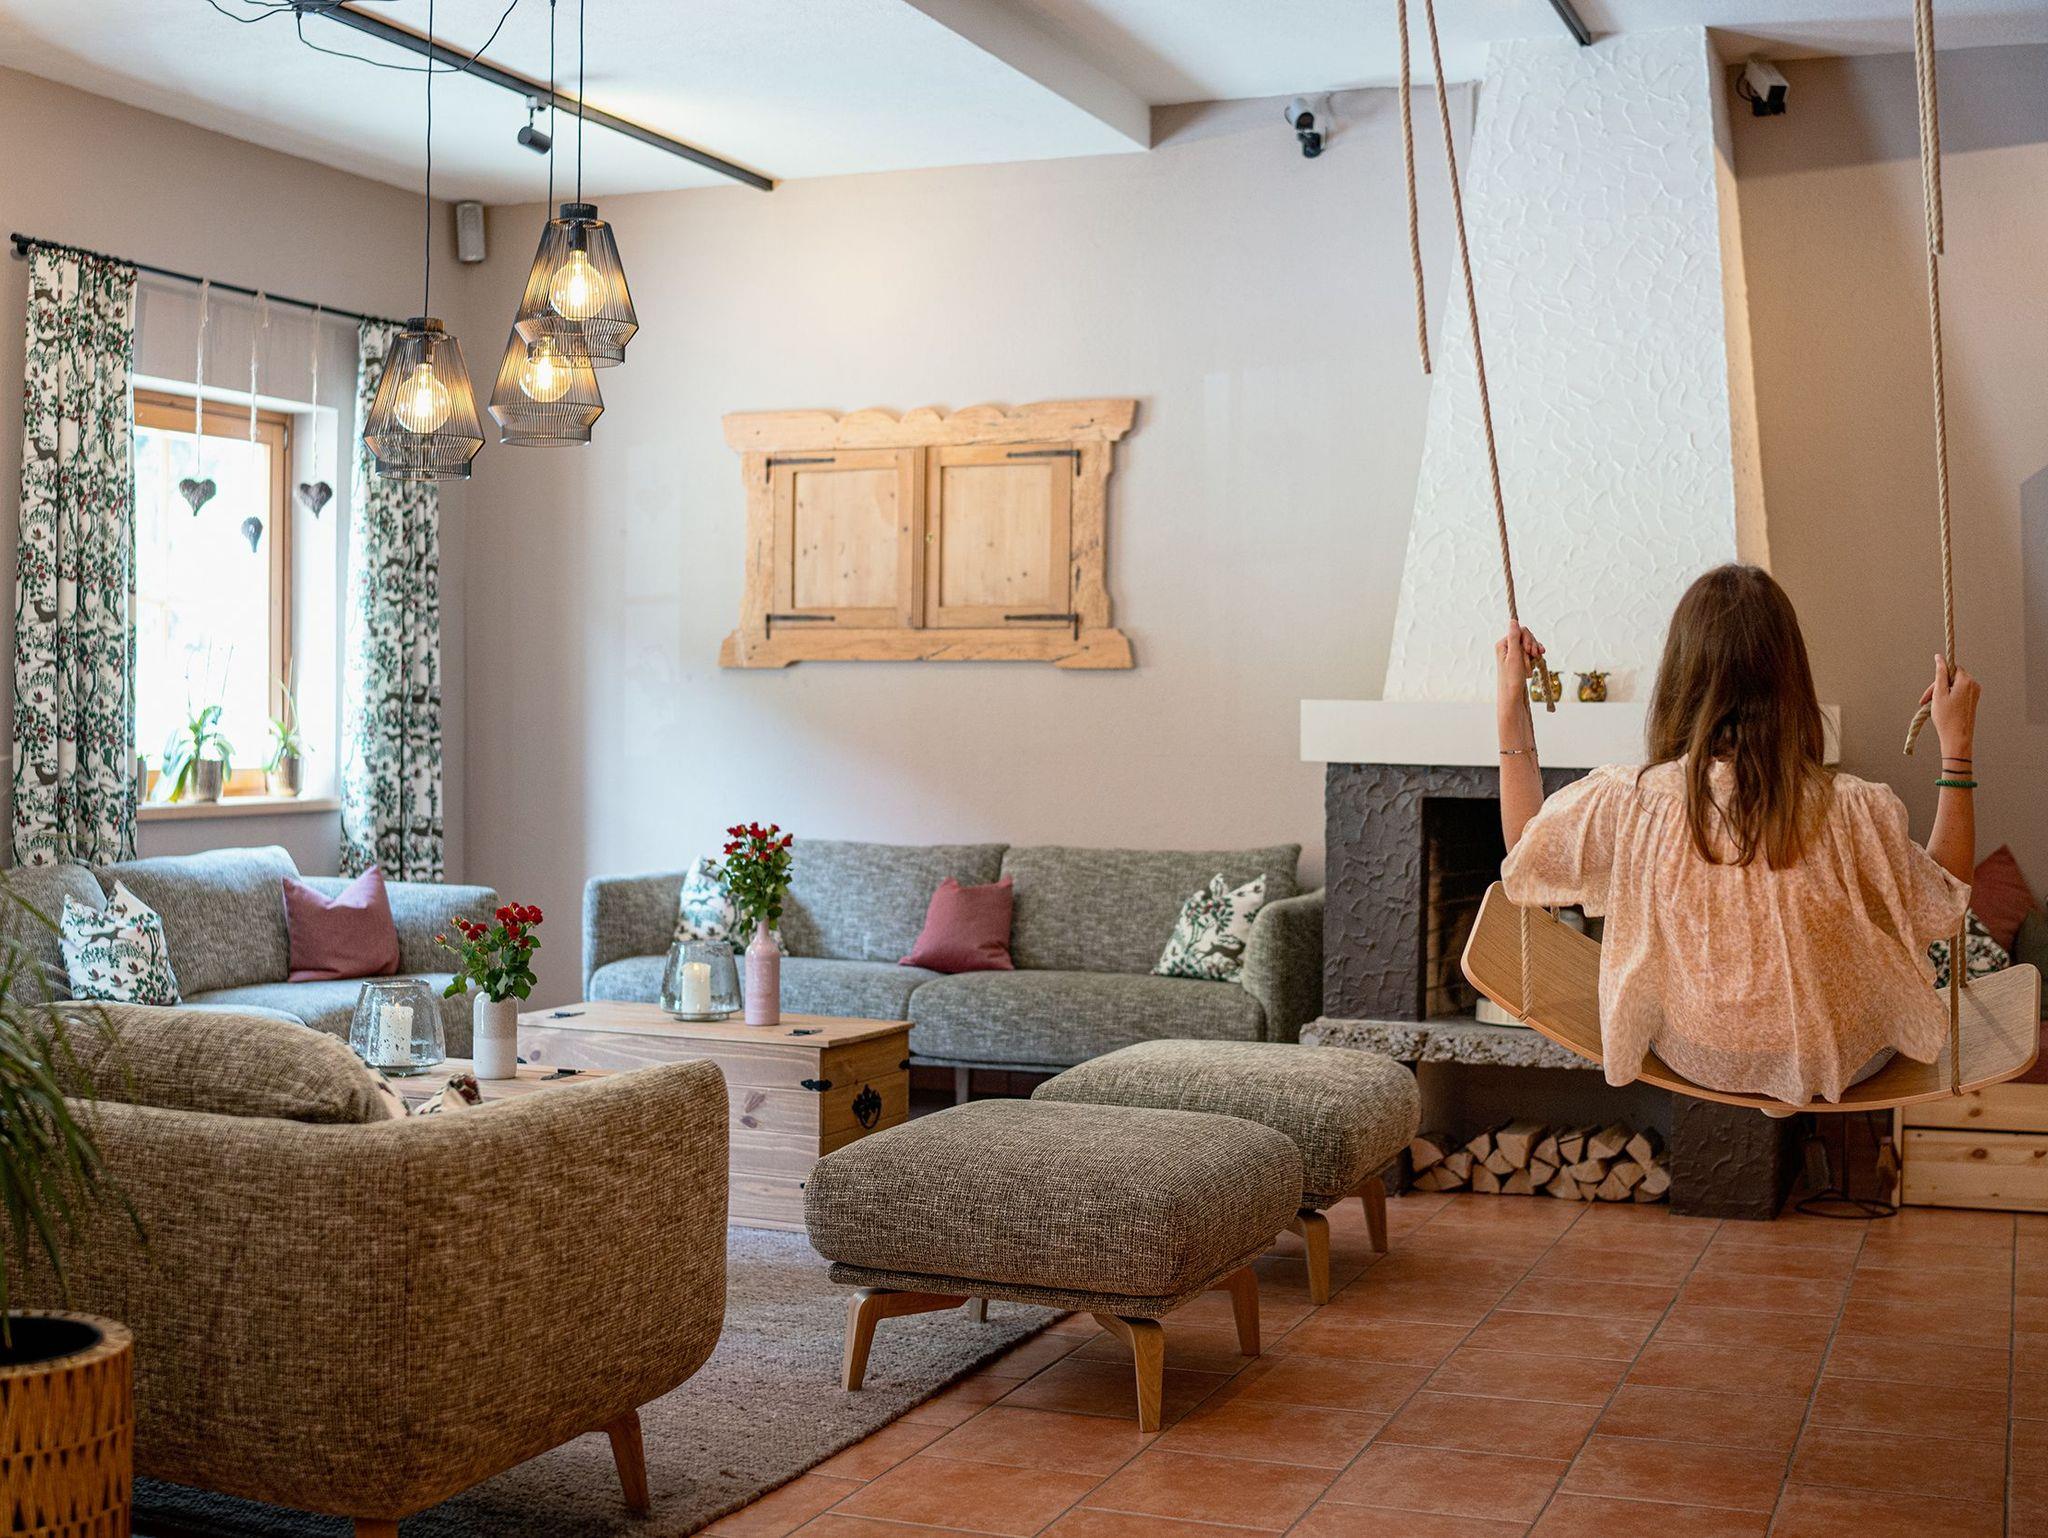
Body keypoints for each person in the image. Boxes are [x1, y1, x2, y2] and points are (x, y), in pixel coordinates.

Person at [1495, 563, 1979, 1108]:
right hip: (1837, 1057)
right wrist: (1957, 746)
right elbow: (1946, 900)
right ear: (1792, 678)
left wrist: (1511, 706)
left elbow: (1526, 851)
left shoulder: (1631, 801)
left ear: (1678, 678)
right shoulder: (1851, 809)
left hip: (1698, 1054)